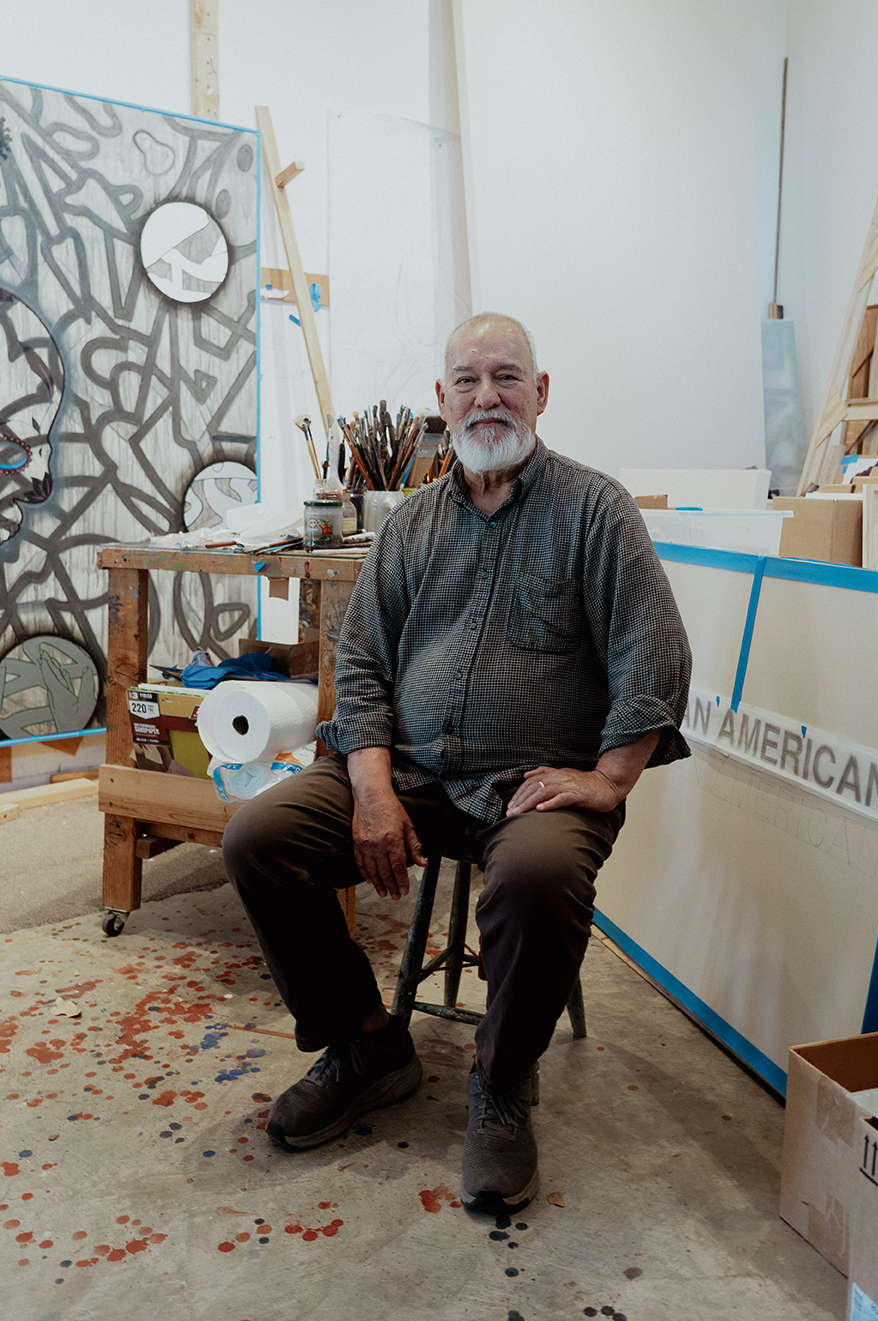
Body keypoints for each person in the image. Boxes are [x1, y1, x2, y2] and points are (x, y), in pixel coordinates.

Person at [222, 312, 692, 1215]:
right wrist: (368, 786)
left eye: (506, 377)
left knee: (538, 876)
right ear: (439, 402)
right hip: (411, 773)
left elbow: (653, 652)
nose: (487, 396)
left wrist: (609, 779)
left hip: (534, 787)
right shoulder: (408, 529)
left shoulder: (595, 510)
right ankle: (368, 1045)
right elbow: (359, 662)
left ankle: (502, 1082)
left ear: (540, 392)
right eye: (466, 380)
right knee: (259, 836)